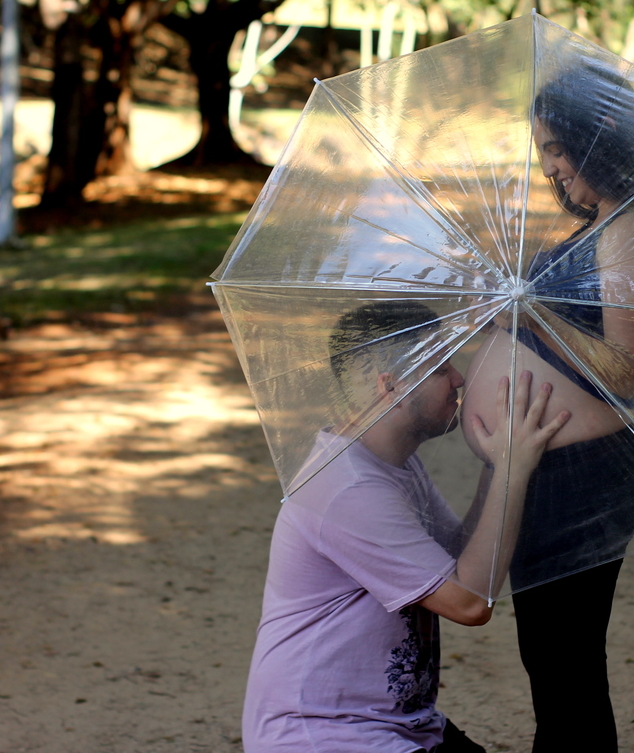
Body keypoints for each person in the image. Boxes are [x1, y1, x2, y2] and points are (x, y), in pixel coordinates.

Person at [461, 63, 634, 752]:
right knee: (554, 666)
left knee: (566, 670)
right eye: (545, 151)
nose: (552, 167)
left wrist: (534, 315)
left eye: (559, 147)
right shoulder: (604, 226)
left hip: (585, 478)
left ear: (603, 136)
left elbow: (625, 369)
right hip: (552, 471)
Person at [242, 300, 571, 753]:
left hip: (402, 726)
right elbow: (470, 603)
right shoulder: (346, 486)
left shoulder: (393, 463)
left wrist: (498, 463)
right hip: (323, 734)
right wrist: (513, 471)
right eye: (440, 367)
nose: (459, 379)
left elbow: (457, 557)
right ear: (391, 384)